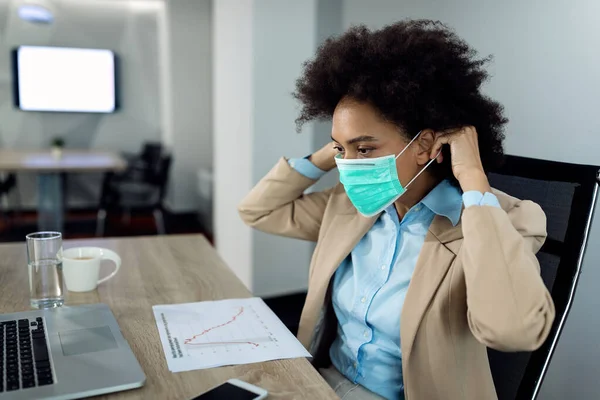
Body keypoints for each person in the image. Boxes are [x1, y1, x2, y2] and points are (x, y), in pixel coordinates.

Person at [239, 20, 554, 400]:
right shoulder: (352, 204)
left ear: (424, 146)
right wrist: (336, 150)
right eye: (342, 149)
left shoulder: (510, 220)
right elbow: (258, 211)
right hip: (320, 382)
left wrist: (472, 175)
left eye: (366, 149)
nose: (350, 165)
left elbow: (512, 330)